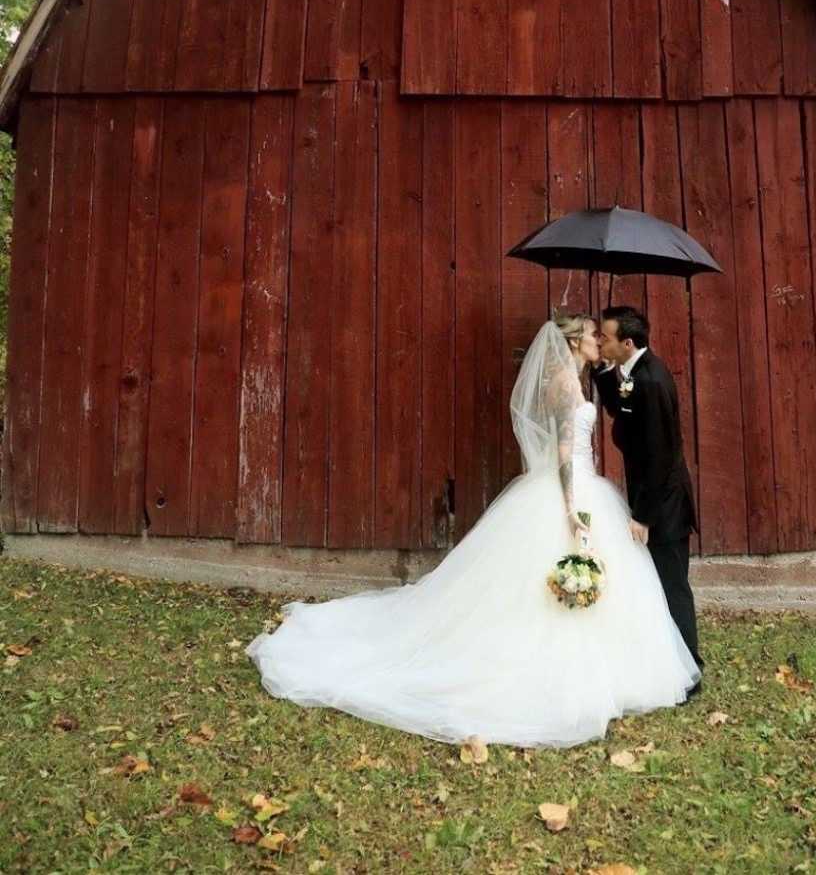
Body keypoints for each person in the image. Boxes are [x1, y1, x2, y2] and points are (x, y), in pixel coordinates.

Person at [246, 311, 700, 747]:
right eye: (590, 335)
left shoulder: (587, 378)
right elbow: (564, 453)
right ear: (572, 344)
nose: (597, 341)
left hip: (588, 484)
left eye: (601, 336)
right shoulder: (565, 384)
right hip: (571, 489)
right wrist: (569, 507)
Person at [592, 306, 703, 684]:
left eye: (604, 337)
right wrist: (604, 372)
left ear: (627, 341)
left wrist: (644, 516)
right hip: (655, 498)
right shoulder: (634, 372)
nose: (599, 341)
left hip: (665, 505)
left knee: (673, 586)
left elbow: (659, 456)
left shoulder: (652, 381)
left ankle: (690, 671)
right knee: (659, 583)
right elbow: (621, 412)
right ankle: (670, 662)